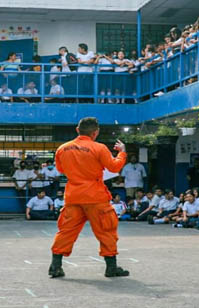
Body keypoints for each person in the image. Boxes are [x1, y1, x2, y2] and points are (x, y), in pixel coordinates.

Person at [49, 117, 128, 279]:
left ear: (77, 130)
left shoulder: (62, 149)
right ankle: (111, 268)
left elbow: (61, 169)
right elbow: (114, 167)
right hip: (95, 197)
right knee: (106, 230)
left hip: (73, 197)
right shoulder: (99, 148)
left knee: (66, 231)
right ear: (95, 132)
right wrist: (122, 153)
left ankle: (55, 266)